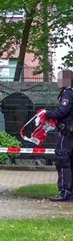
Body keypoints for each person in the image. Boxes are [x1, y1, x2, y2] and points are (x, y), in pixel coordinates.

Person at [45, 69, 73, 202]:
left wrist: (47, 113)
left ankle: (65, 192)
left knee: (62, 160)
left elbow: (61, 111)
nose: (58, 81)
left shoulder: (68, 93)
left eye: (60, 79)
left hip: (67, 133)